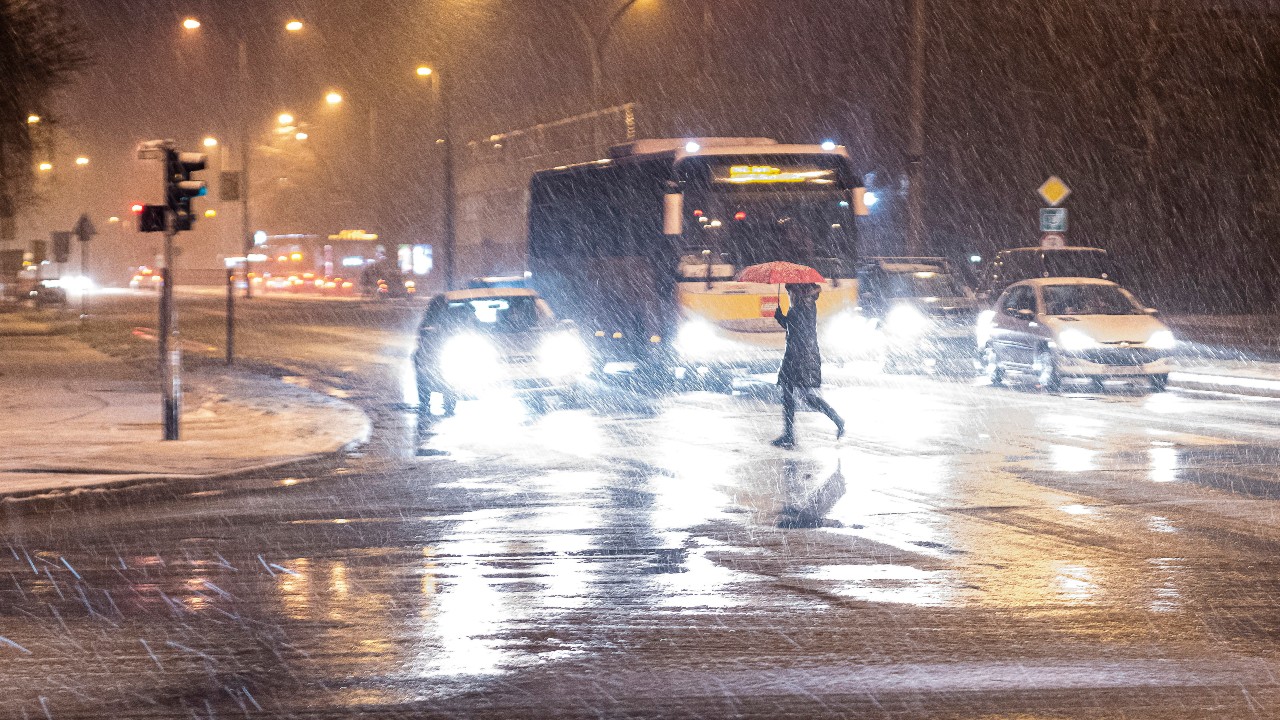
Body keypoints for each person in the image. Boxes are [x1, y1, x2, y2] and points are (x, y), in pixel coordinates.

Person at [771, 283, 845, 448]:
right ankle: (789, 434)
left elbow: (795, 327)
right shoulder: (806, 305)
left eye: (789, 292)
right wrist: (782, 318)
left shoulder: (801, 307)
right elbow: (795, 328)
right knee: (790, 394)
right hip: (800, 355)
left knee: (801, 396)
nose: (789, 296)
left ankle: (836, 420)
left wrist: (781, 317)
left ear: (796, 292)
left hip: (800, 357)